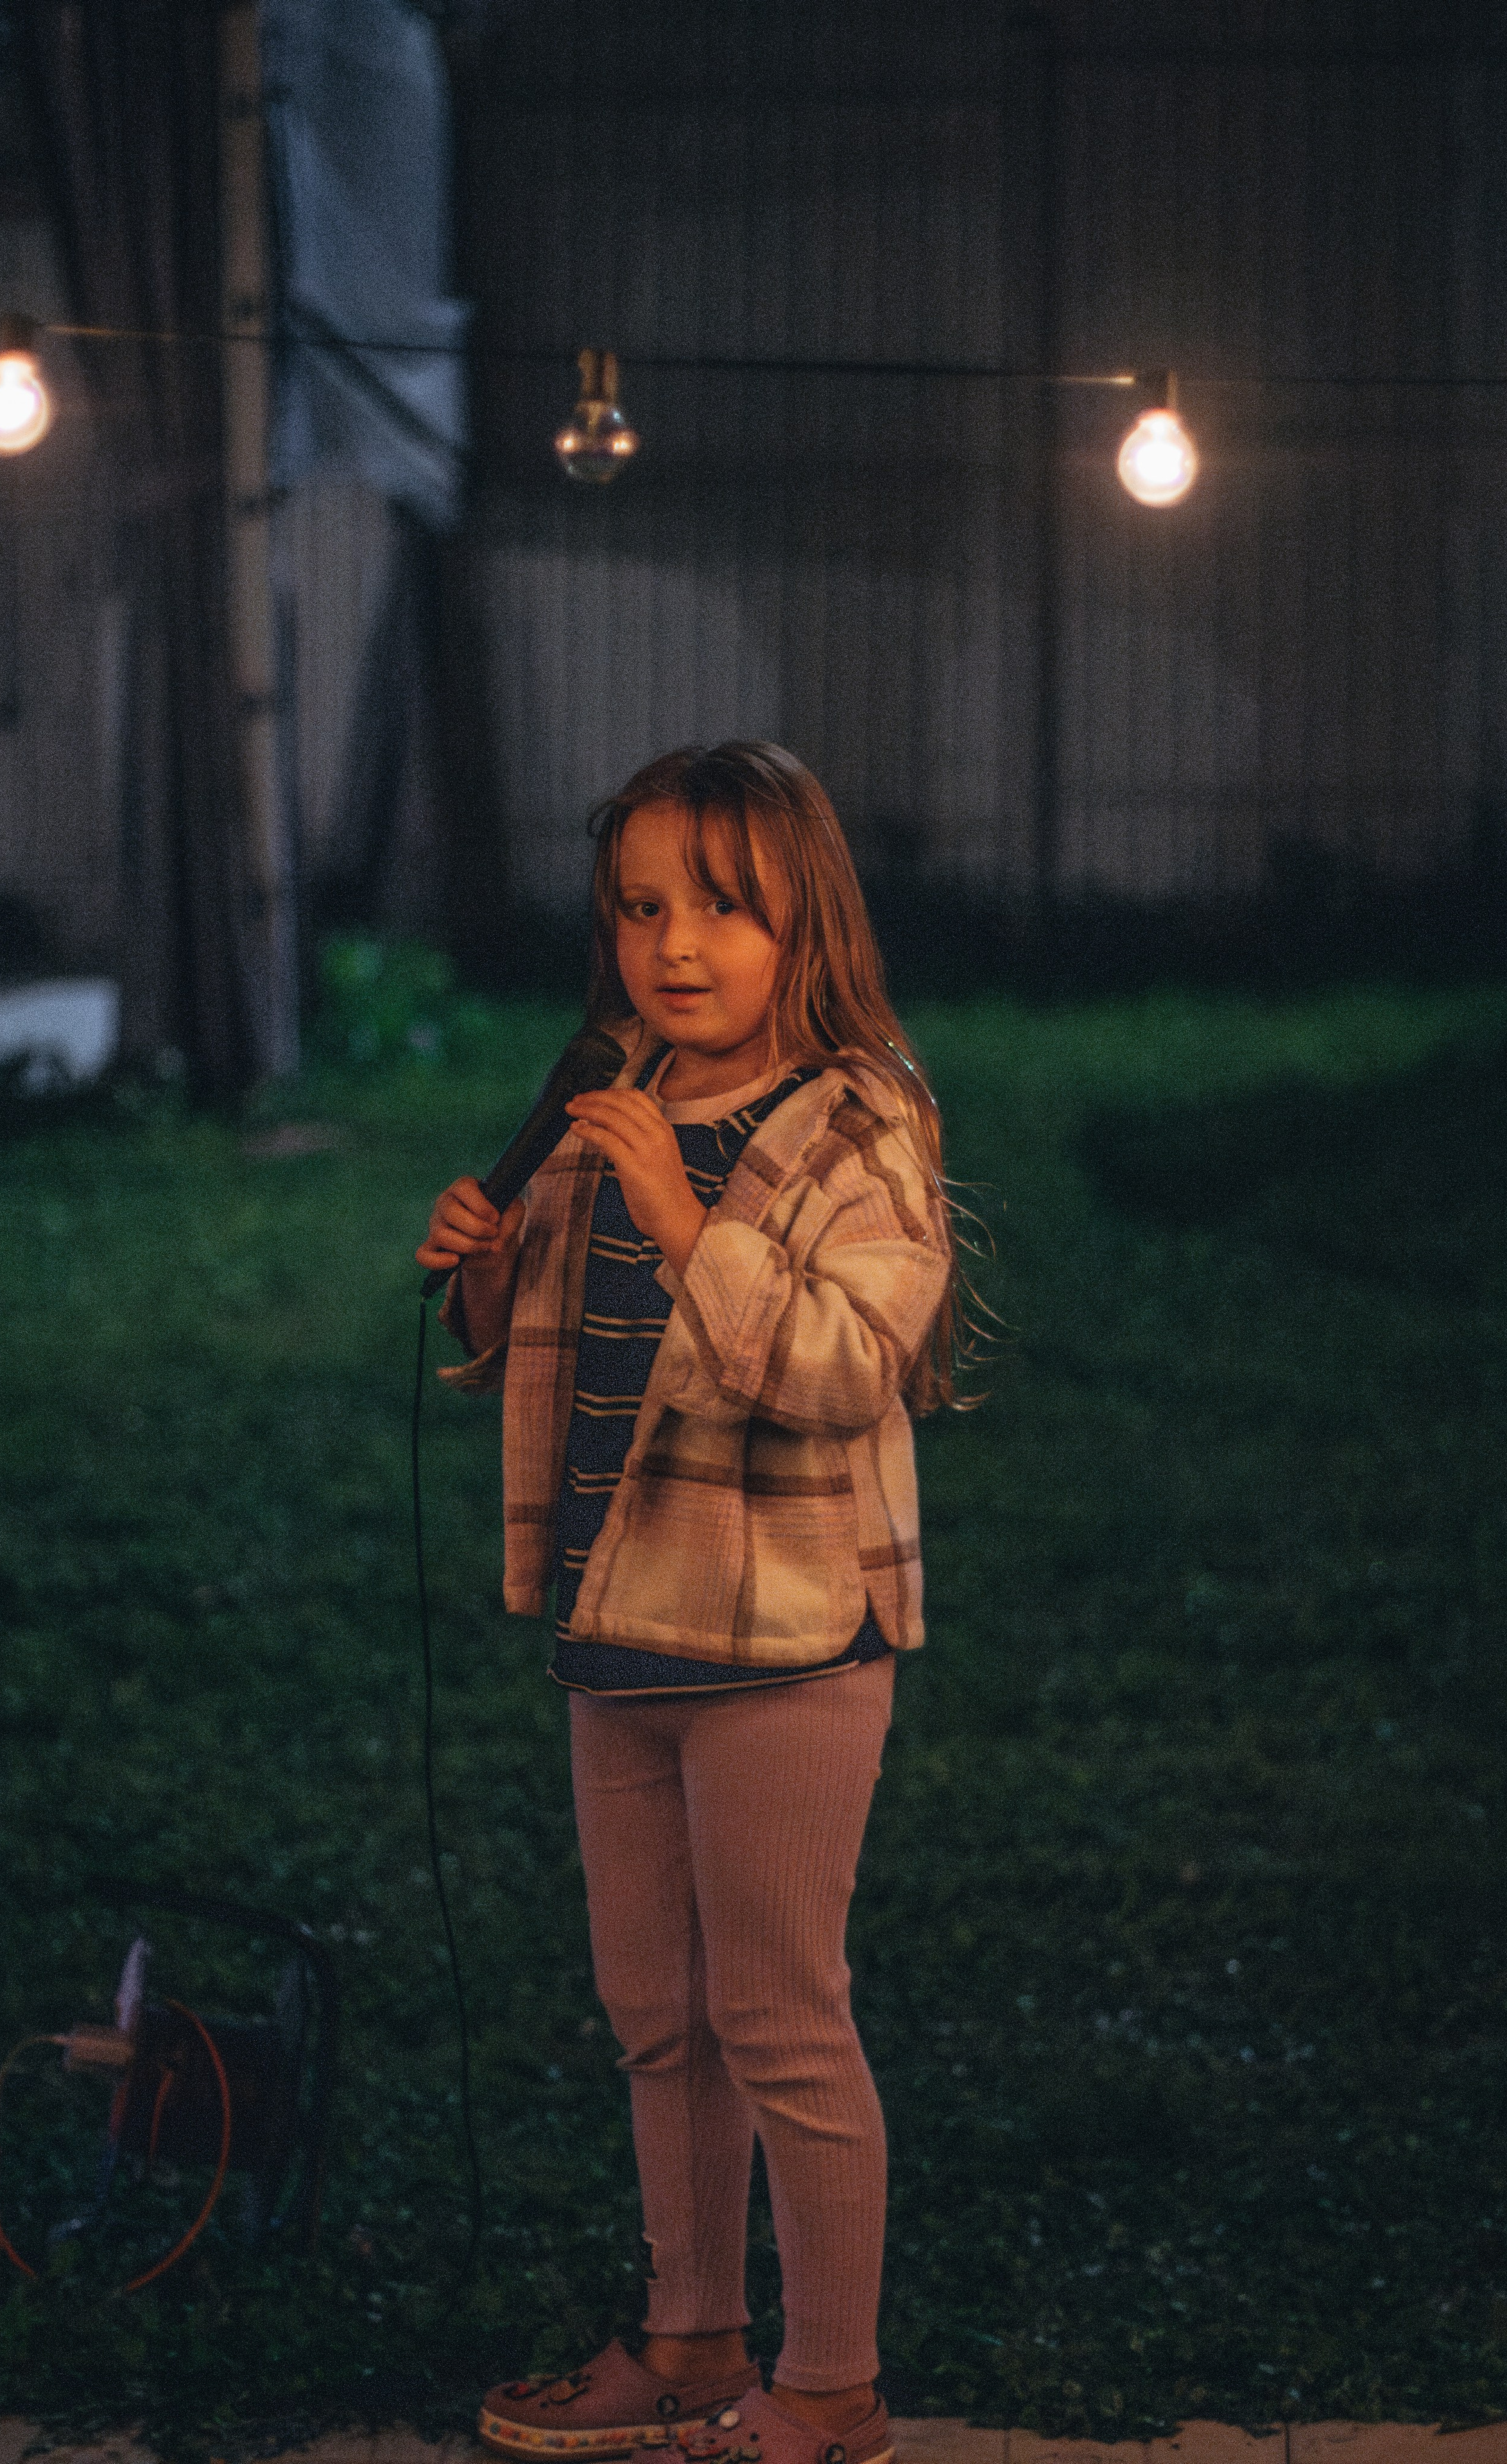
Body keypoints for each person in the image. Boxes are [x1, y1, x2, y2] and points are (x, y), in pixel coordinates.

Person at [417, 743, 970, 2464]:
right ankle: (688, 2336)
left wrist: (681, 1208)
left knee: (780, 2017)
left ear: (806, 910)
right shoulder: (619, 1096)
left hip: (788, 1648)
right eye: (642, 906)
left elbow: (833, 1365)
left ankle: (831, 2384)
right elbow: (586, 1361)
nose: (677, 944)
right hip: (620, 1632)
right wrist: (494, 1282)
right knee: (659, 2013)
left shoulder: (860, 1122)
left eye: (722, 905)